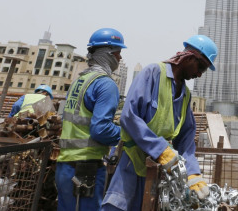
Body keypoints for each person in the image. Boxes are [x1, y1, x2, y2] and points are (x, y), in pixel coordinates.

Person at [101, 34, 218, 211]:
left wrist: (193, 173)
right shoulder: (152, 73)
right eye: (200, 66)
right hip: (133, 163)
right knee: (118, 207)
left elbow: (186, 139)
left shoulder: (185, 94)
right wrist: (160, 149)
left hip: (160, 170)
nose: (199, 74)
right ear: (188, 57)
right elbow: (129, 116)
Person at [56, 28, 125, 211]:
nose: (120, 58)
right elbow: (100, 129)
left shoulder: (80, 81)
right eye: (118, 53)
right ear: (107, 54)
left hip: (64, 166)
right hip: (86, 169)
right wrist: (126, 133)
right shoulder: (106, 84)